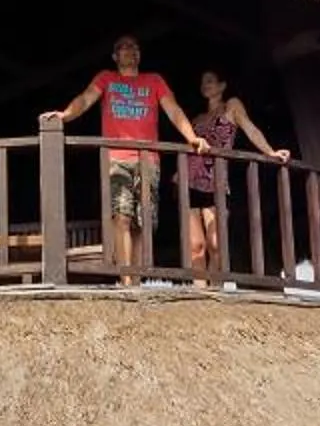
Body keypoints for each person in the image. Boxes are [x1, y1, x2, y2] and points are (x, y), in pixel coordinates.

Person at [42, 34, 203, 276]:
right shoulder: (106, 78)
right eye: (124, 48)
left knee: (144, 222)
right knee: (121, 216)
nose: (131, 51)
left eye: (135, 47)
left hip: (149, 160)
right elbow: (86, 98)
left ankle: (136, 277)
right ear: (115, 56)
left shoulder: (154, 80)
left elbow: (173, 109)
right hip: (117, 158)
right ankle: (127, 278)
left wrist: (191, 137)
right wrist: (65, 115)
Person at [180, 69, 289, 279]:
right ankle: (200, 294)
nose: (205, 85)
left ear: (222, 85)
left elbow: (250, 129)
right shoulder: (197, 118)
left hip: (217, 182)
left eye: (210, 81)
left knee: (216, 243)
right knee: (195, 246)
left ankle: (215, 289)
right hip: (190, 180)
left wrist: (270, 151)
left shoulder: (231, 106)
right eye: (203, 82)